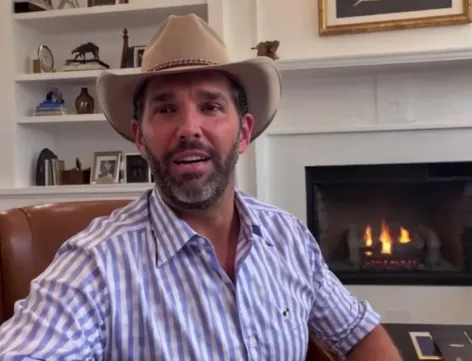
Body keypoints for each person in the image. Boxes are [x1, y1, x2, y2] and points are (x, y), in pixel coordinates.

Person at [0, 14, 402, 361]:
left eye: (210, 106)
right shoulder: (96, 263)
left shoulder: (289, 238)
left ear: (244, 133)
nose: (189, 128)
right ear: (140, 138)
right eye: (165, 109)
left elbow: (360, 333)